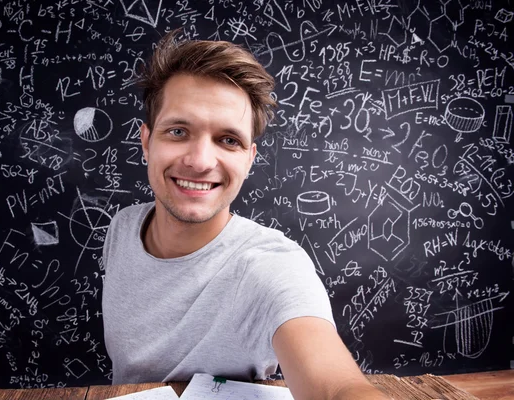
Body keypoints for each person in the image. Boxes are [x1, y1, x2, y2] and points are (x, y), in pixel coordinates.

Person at [102, 30, 389, 400]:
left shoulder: (269, 264)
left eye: (229, 140)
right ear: (146, 141)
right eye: (178, 131)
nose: (200, 162)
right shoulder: (122, 228)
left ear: (249, 159)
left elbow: (335, 387)